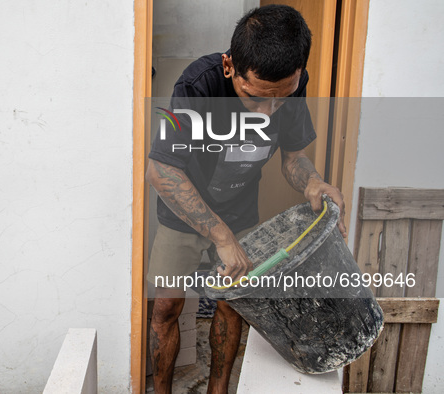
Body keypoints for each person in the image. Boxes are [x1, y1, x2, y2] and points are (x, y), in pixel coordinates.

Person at [146, 5, 347, 393]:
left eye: (280, 99)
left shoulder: (292, 83)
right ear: (228, 67)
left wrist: (312, 183)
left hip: (240, 211)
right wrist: (222, 237)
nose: (268, 111)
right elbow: (162, 171)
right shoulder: (197, 85)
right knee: (166, 306)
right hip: (184, 214)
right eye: (254, 98)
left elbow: (293, 158)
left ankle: (218, 390)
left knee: (233, 304)